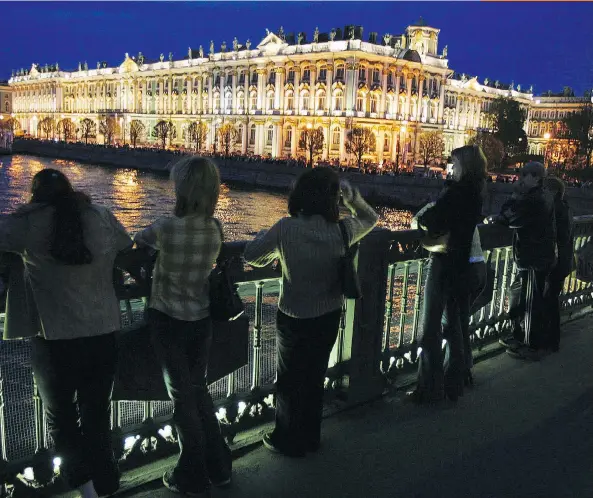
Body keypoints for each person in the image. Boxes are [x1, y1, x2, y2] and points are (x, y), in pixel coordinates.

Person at [0, 169, 133, 498]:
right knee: (96, 415)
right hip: (103, 334)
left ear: (36, 196)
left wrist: (26, 211)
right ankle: (106, 485)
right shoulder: (100, 215)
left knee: (61, 418)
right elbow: (126, 242)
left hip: (55, 340)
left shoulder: (29, 224)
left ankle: (85, 488)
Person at [244, 168, 378, 457]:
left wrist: (268, 245)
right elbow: (371, 218)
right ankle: (310, 437)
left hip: (293, 315)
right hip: (328, 314)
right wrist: (352, 197)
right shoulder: (342, 230)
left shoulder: (285, 228)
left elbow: (251, 256)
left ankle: (286, 438)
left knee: (290, 380)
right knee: (315, 376)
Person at [134, 157, 231, 498]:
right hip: (200, 321)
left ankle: (191, 475)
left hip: (168, 322)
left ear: (183, 189)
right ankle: (220, 467)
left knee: (182, 399)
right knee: (198, 389)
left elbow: (137, 238)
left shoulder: (165, 227)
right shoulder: (215, 228)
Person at [407, 145, 487, 404]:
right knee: (455, 327)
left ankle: (430, 388)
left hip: (444, 262)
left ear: (464, 165)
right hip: (463, 264)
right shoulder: (477, 192)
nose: (451, 168)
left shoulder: (457, 192)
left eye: (454, 164)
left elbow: (432, 219)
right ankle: (455, 384)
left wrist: (428, 213)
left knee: (430, 329)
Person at [485, 162, 556, 361]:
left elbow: (510, 217)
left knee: (531, 302)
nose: (521, 179)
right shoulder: (544, 196)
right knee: (521, 295)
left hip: (533, 257)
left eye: (525, 175)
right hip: (538, 255)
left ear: (536, 178)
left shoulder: (534, 199)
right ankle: (519, 336)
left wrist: (514, 197)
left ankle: (532, 345)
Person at [543, 176, 574, 352]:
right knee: (552, 300)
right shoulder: (565, 207)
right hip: (563, 261)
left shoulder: (555, 210)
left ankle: (550, 341)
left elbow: (554, 237)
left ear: (553, 192)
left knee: (549, 300)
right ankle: (552, 340)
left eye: (545, 190)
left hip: (555, 262)